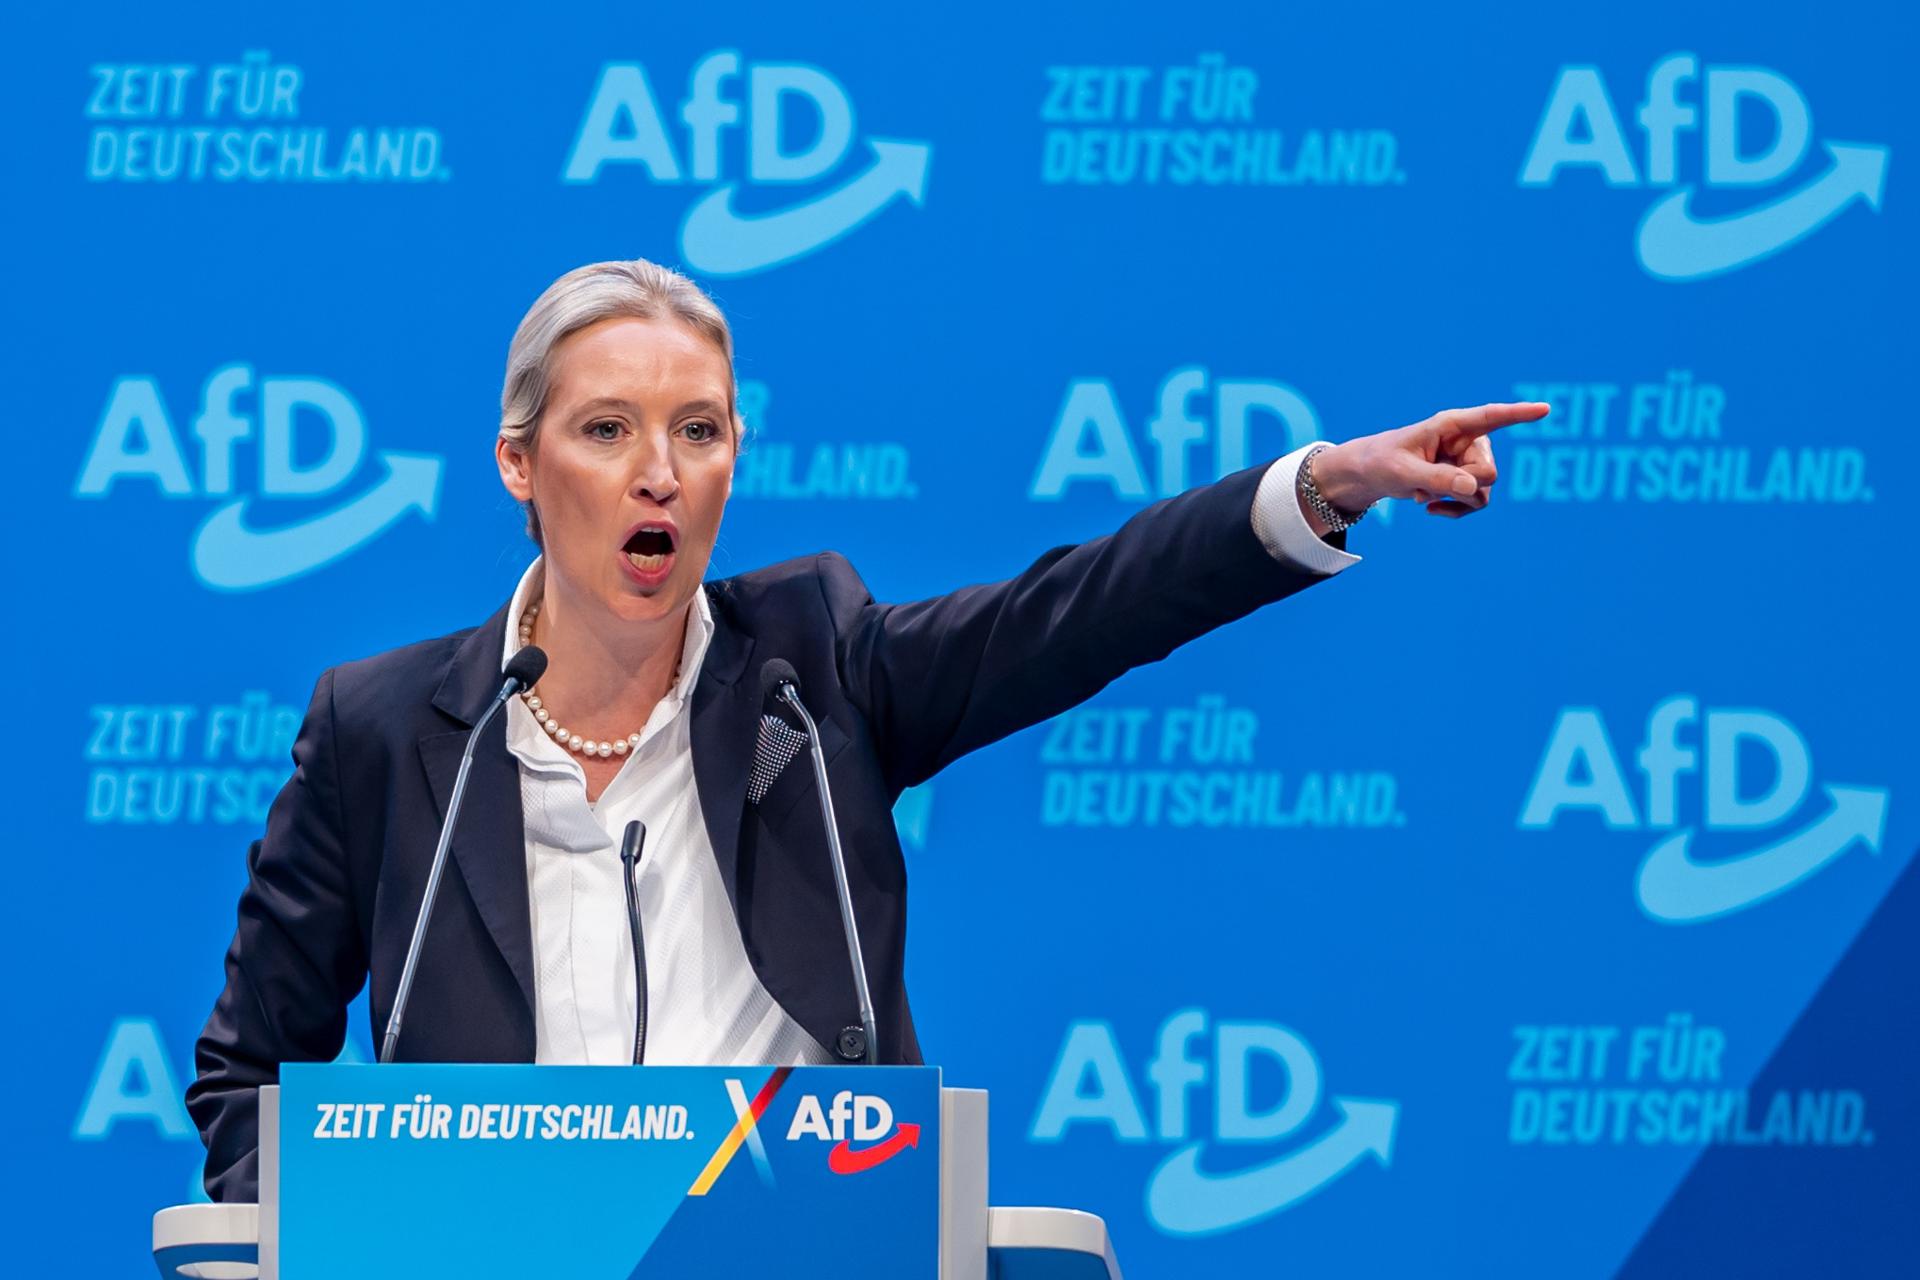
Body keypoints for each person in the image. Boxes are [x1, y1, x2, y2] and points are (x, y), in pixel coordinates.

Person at [185, 256, 1547, 1201]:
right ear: (520, 463)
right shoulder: (389, 730)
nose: (662, 471)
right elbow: (249, 1075)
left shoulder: (816, 668)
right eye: (608, 429)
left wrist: (1319, 489)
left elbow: (1080, 611)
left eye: (699, 430)